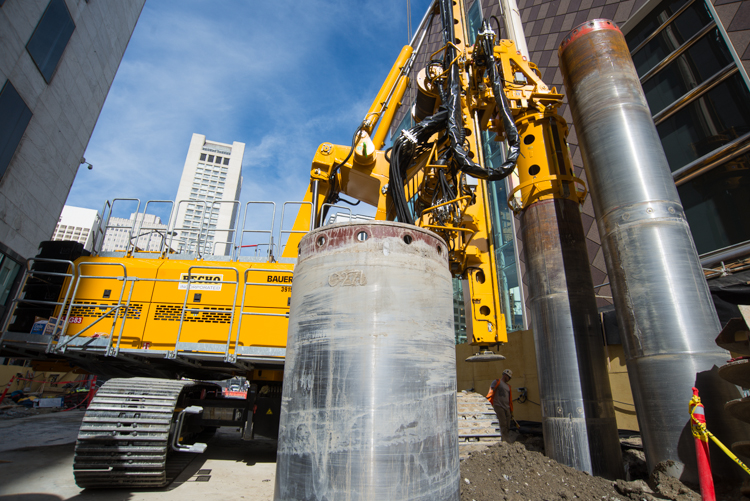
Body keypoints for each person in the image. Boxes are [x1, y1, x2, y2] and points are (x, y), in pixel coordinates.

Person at [487, 368, 513, 441]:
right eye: (509, 377)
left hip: (507, 407)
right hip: (499, 406)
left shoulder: (508, 386)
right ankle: (503, 440)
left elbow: (509, 399)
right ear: (505, 375)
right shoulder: (497, 382)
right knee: (502, 423)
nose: (509, 379)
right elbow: (491, 391)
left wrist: (511, 410)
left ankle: (506, 438)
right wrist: (488, 402)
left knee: (508, 425)